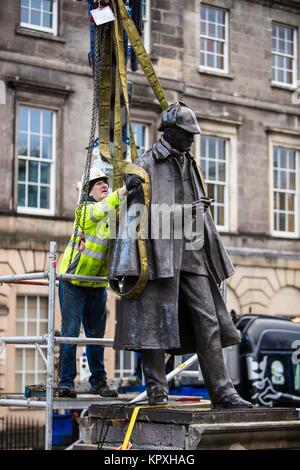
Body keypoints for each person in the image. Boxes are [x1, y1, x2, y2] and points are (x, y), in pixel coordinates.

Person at [109, 102, 253, 408]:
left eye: (192, 134)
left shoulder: (190, 162)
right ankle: (157, 390)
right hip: (159, 257)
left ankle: (223, 392)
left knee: (209, 321)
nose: (191, 140)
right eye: (186, 134)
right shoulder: (145, 165)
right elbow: (139, 217)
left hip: (193, 252)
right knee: (154, 323)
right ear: (170, 132)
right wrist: (186, 212)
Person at [58, 167, 141, 398]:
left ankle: (98, 381)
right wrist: (125, 188)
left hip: (95, 284)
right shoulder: (84, 211)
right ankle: (66, 383)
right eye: (98, 183)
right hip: (73, 281)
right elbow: (103, 208)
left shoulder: (111, 214)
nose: (104, 184)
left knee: (95, 335)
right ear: (88, 191)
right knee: (70, 332)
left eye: (106, 181)